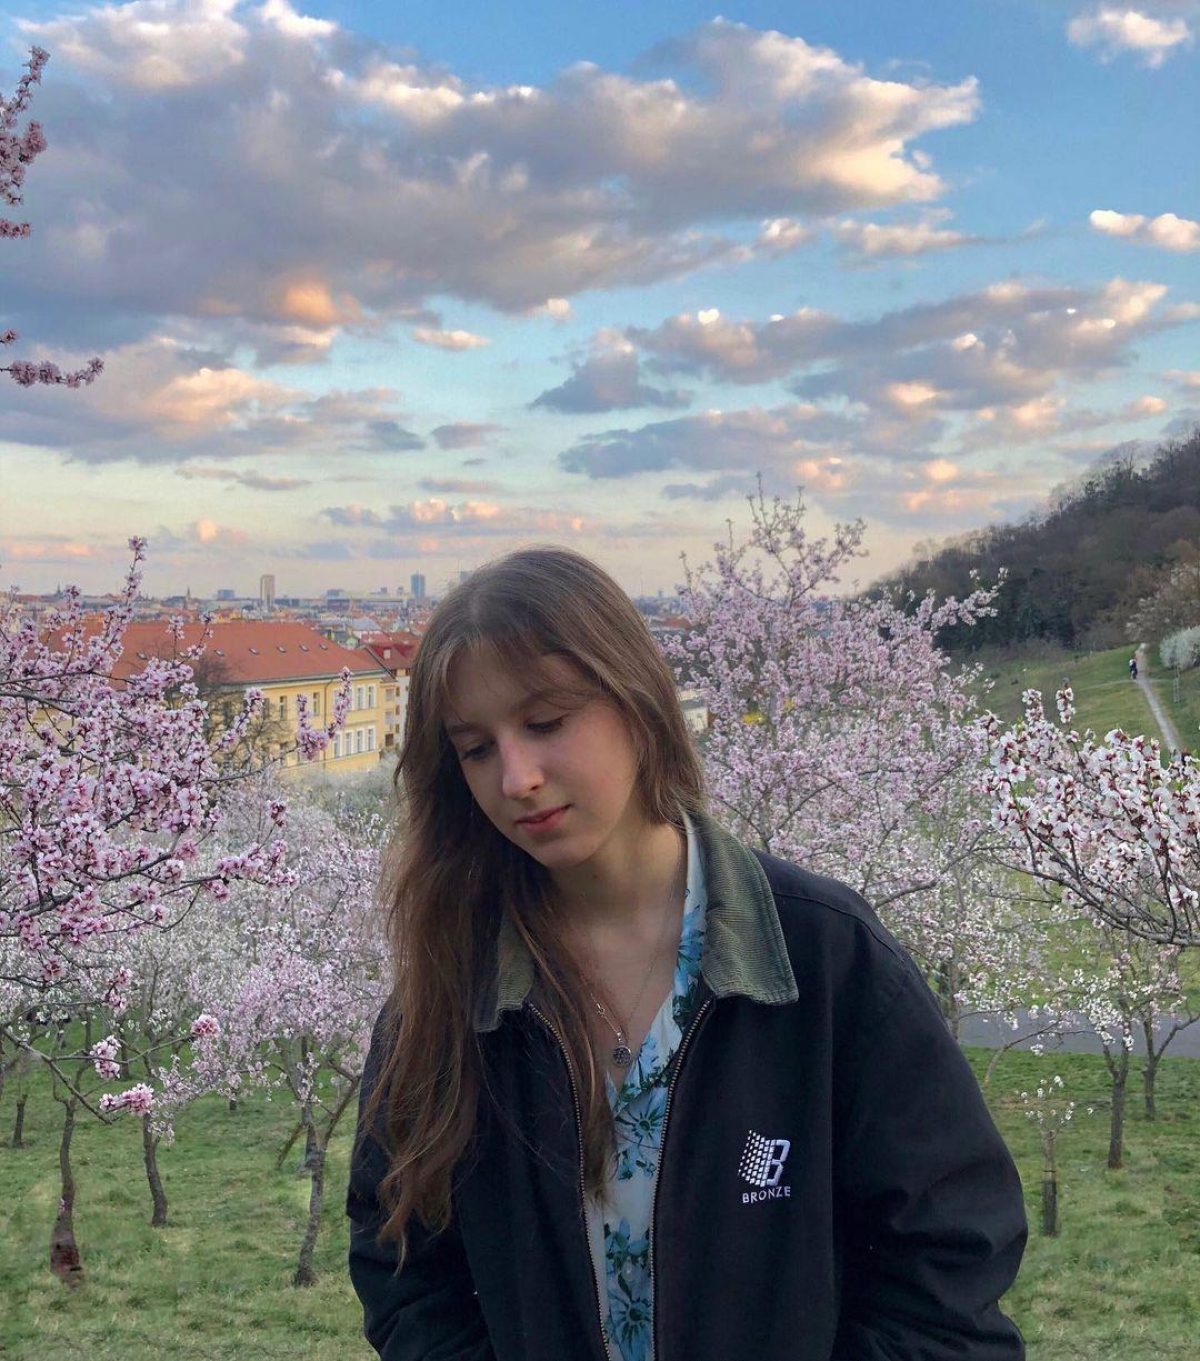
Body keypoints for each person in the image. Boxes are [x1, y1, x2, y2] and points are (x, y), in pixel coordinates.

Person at [346, 544, 1028, 1361]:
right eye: (476, 747)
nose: (516, 776)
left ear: (636, 701)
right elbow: (401, 1260)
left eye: (546, 722)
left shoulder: (822, 956)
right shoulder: (455, 987)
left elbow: (951, 1260)